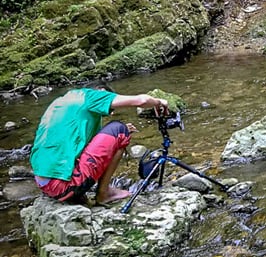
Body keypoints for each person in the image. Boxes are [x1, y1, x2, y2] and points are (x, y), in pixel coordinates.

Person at [30, 85, 169, 205]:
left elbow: (79, 145)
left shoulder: (62, 102)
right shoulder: (90, 96)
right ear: (102, 91)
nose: (109, 113)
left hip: (45, 184)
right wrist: (159, 102)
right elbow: (142, 100)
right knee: (119, 130)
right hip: (62, 187)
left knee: (117, 132)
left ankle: (80, 192)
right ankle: (104, 193)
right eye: (110, 109)